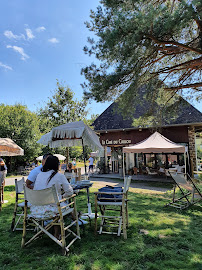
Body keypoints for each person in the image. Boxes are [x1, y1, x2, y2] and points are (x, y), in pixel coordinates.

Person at [31, 156, 74, 238]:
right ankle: (72, 223)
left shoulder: (39, 175)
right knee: (59, 205)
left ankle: (54, 233)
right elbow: (70, 192)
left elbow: (36, 190)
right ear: (57, 165)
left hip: (36, 210)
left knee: (56, 204)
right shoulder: (59, 176)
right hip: (53, 210)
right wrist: (62, 196)